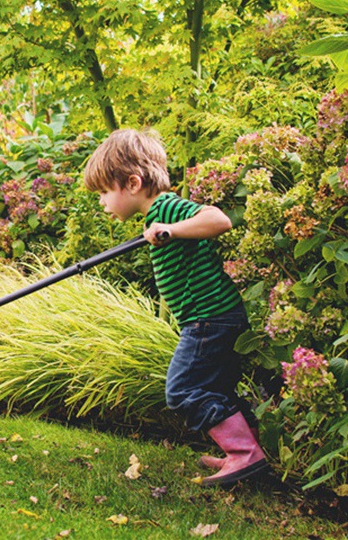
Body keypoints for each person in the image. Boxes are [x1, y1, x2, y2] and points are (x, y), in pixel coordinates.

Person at [83, 128, 269, 486]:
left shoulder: (166, 208)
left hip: (208, 319)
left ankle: (245, 455)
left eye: (105, 192)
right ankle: (245, 452)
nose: (103, 202)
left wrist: (170, 229)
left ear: (133, 183)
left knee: (182, 389)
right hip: (215, 317)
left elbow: (219, 220)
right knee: (218, 389)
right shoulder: (157, 216)